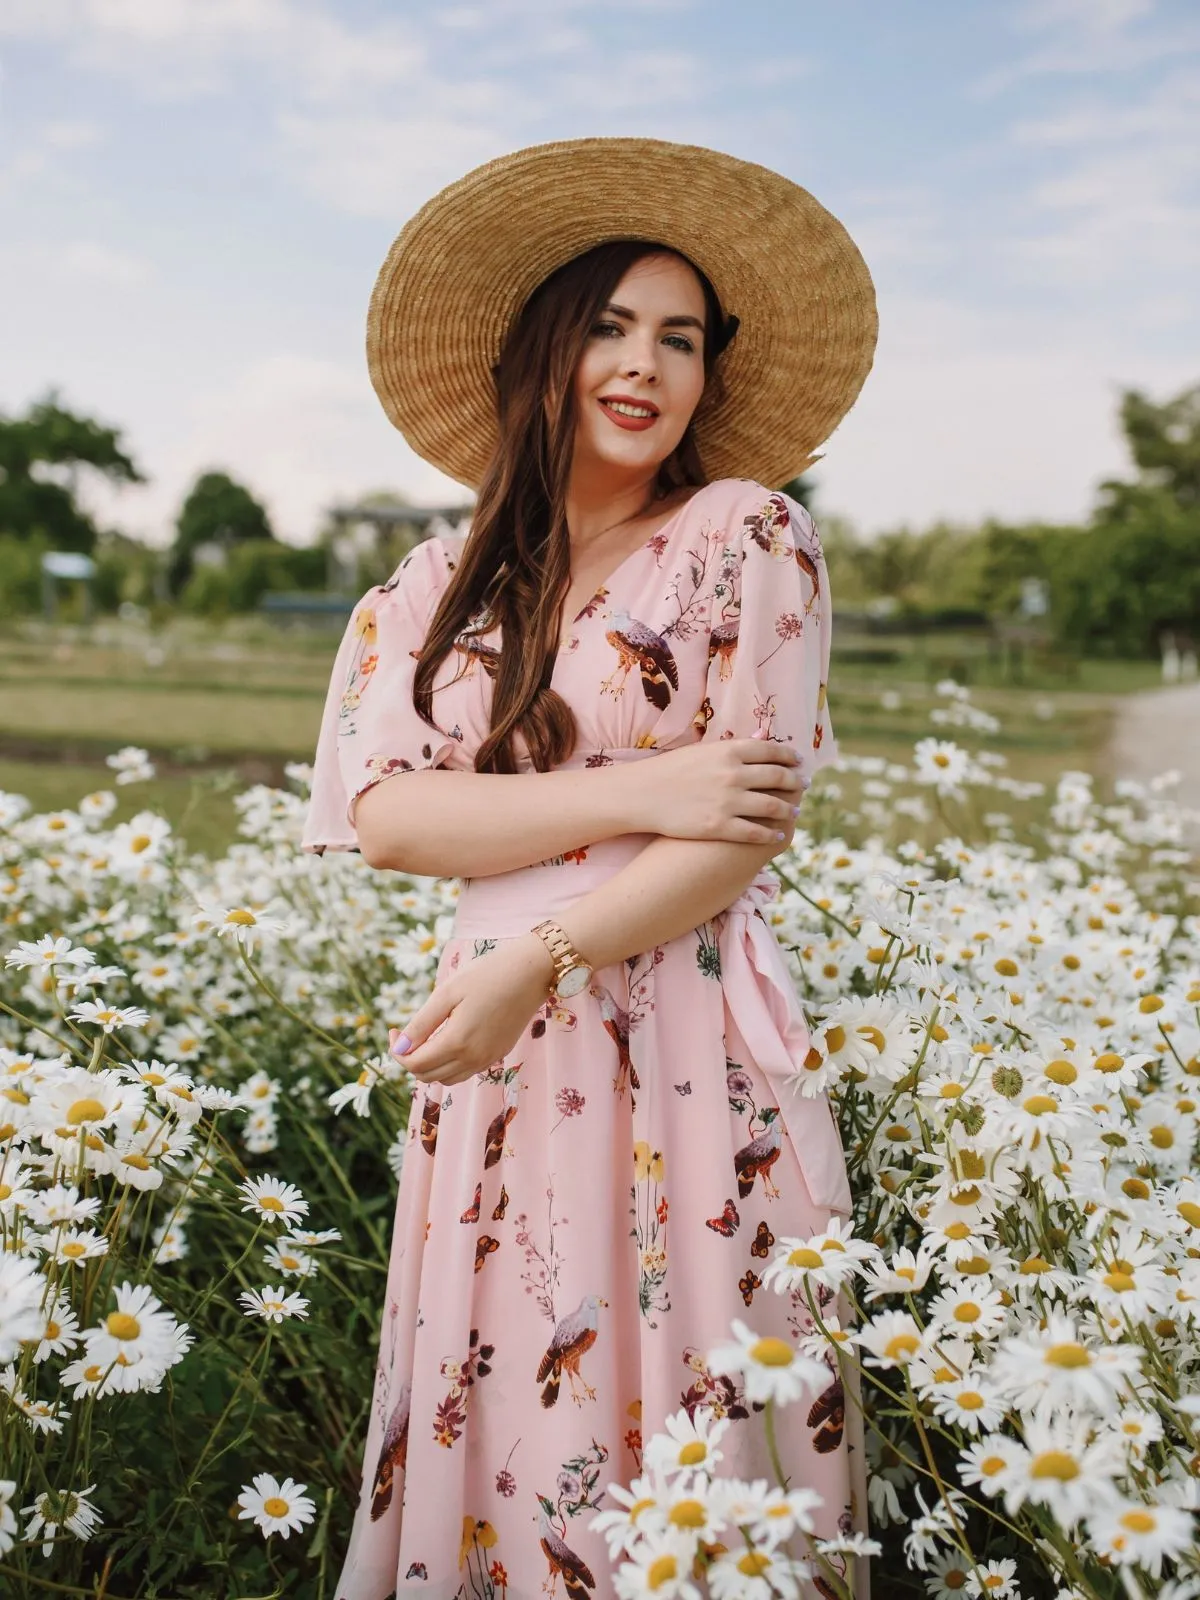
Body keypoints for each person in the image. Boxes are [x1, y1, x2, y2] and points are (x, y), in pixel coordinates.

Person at [302, 136, 878, 1600]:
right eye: (611, 327)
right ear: (541, 354)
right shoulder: (432, 588)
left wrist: (538, 955)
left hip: (676, 1034)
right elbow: (391, 821)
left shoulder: (747, 535)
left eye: (679, 337)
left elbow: (741, 824)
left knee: (689, 1437)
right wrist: (652, 783)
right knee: (505, 1413)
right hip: (488, 1049)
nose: (646, 365)